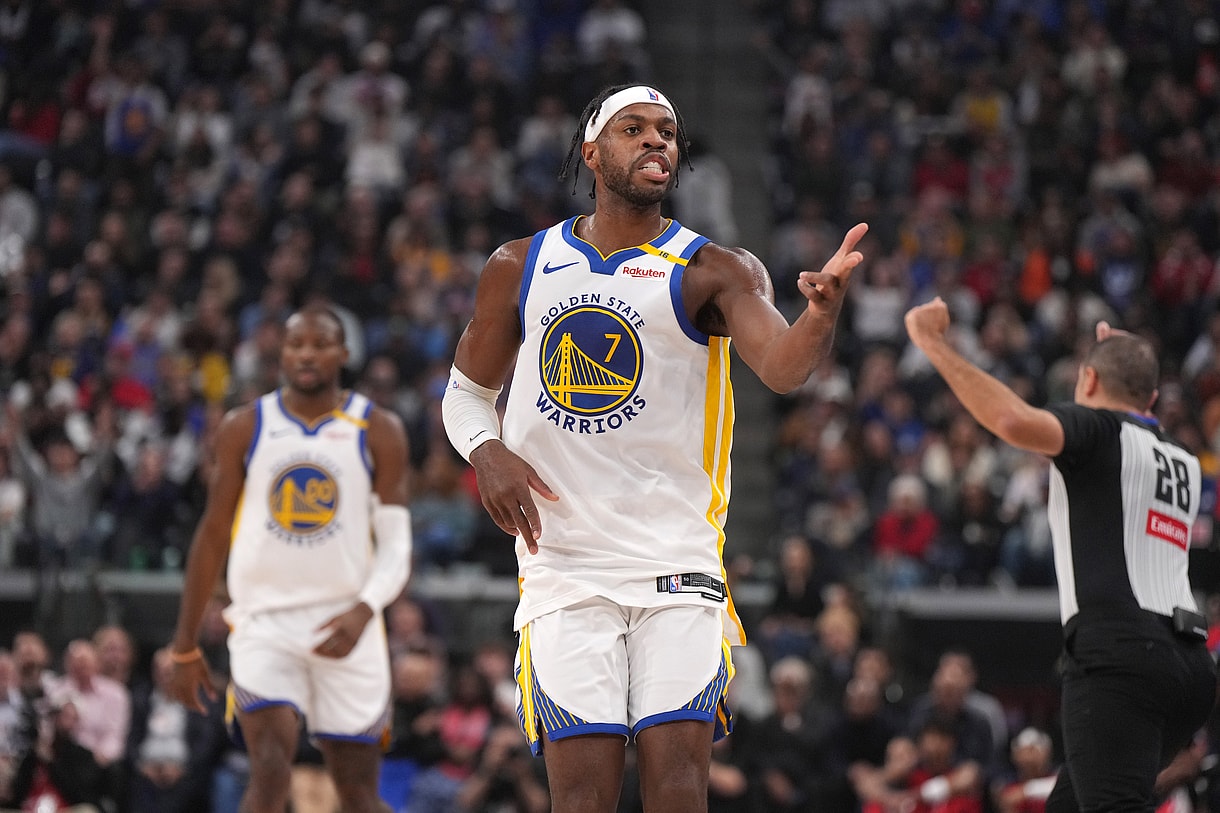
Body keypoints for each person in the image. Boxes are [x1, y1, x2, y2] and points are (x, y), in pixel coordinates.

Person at [441, 82, 866, 812]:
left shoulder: (716, 269)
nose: (656, 141)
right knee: (581, 799)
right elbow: (464, 395)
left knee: (677, 790)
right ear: (591, 151)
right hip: (565, 566)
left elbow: (784, 367)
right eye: (634, 128)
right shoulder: (519, 264)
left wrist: (820, 316)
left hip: (677, 563)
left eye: (666, 131)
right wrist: (487, 450)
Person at [904, 299, 1218, 813]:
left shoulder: (1098, 432)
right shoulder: (1182, 456)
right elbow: (1133, 401)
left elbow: (1011, 419)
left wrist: (934, 344)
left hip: (1120, 655)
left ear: (1088, 381)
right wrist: (1119, 361)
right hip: (1189, 667)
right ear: (1153, 397)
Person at [165, 306, 413, 813]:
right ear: (281, 353)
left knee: (358, 795)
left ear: (343, 354)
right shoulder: (245, 426)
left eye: (320, 344)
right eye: (296, 344)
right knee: (270, 770)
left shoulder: (378, 429)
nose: (306, 355)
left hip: (347, 624)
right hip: (265, 622)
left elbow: (397, 544)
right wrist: (184, 645)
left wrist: (366, 609)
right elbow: (212, 535)